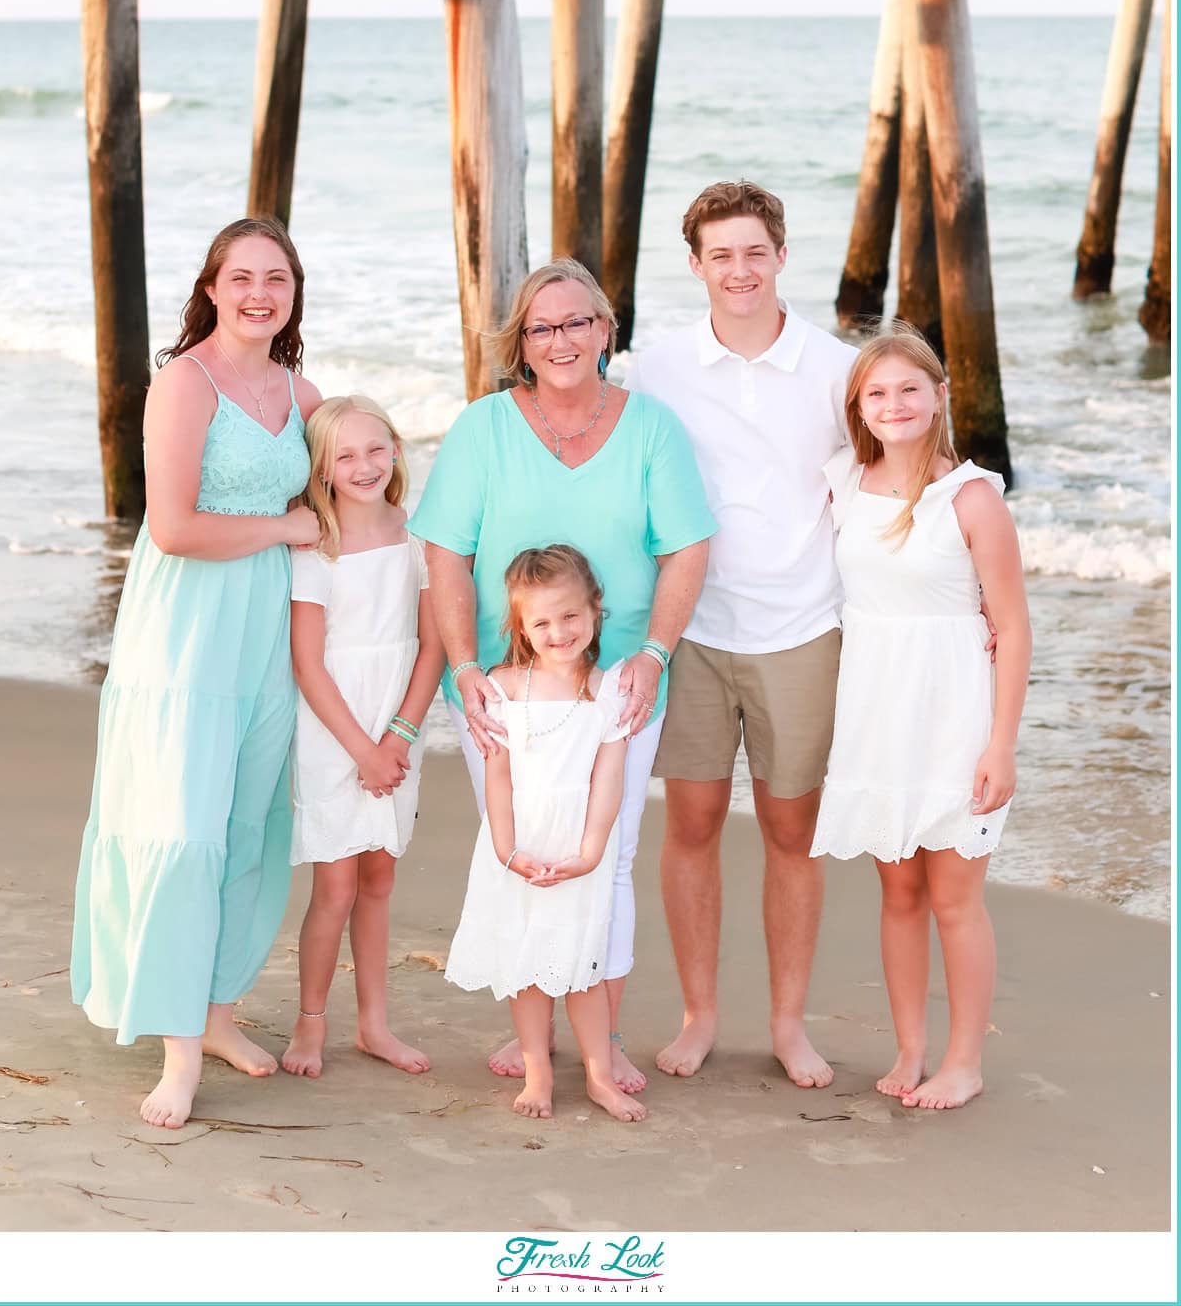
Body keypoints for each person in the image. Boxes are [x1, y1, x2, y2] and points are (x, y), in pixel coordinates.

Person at [411, 258, 714, 1093]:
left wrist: (653, 654)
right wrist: (465, 666)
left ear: (606, 329)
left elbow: (687, 547)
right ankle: (538, 1037)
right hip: (502, 689)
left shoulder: (650, 427)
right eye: (543, 327)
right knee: (526, 853)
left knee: (607, 859)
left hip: (620, 686)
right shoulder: (483, 428)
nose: (562, 340)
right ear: (522, 343)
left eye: (578, 322)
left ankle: (602, 1036)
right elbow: (444, 553)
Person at [70, 217, 322, 1131]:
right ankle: (178, 1049)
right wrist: (285, 529)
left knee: (247, 825)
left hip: (267, 630)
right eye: (243, 276)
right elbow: (172, 526)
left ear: (295, 294)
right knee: (182, 826)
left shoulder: (303, 392)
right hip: (184, 628)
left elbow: (344, 505)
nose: (261, 292)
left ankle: (217, 1015)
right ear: (212, 288)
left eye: (278, 279)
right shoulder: (185, 382)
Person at [626, 180, 855, 1087]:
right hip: (688, 632)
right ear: (695, 266)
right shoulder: (659, 367)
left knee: (791, 832)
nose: (739, 269)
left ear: (782, 256)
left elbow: (892, 490)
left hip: (803, 628)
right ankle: (699, 1015)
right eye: (721, 255)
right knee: (692, 823)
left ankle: (790, 1023)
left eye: (754, 251)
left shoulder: (837, 370)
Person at [811, 326, 1031, 1111]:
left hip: (954, 714)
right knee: (897, 894)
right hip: (876, 711)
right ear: (858, 407)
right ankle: (910, 1048)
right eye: (877, 393)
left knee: (953, 898)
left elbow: (1013, 627)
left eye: (910, 389)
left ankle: (964, 1060)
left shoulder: (970, 497)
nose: (894, 405)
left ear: (940, 395)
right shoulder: (842, 480)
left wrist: (1000, 746)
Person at [445, 546, 644, 1123]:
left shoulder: (610, 692)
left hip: (579, 850)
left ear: (595, 610)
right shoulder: (503, 689)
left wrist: (590, 852)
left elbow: (610, 783)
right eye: (541, 622)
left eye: (570, 616)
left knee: (582, 966)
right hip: (520, 847)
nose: (558, 632)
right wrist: (507, 852)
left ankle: (601, 1076)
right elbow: (498, 781)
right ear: (520, 627)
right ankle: (537, 1073)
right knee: (528, 968)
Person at [282, 396, 444, 1082]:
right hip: (335, 731)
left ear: (398, 450)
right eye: (344, 455)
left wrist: (400, 734)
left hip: (397, 725)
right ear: (321, 469)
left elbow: (433, 644)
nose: (364, 465)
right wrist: (365, 750)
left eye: (376, 449)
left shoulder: (419, 534)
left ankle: (375, 1024)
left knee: (380, 877)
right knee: (338, 885)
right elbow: (308, 664)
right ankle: (310, 1021)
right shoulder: (315, 547)